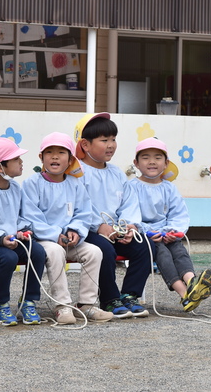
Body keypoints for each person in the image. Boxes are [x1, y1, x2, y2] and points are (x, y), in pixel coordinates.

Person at [20, 132, 113, 324]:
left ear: (70, 159)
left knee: (94, 252)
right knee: (54, 252)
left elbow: (84, 212)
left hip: (70, 239)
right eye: (49, 152)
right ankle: (61, 306)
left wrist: (75, 230)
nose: (55, 157)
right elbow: (31, 217)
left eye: (61, 152)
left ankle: (86, 305)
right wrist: (55, 235)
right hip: (44, 239)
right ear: (41, 157)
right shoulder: (31, 183)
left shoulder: (75, 183)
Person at [74, 113, 153, 318]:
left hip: (115, 230)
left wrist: (129, 227)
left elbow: (128, 203)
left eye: (113, 139)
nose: (111, 145)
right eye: (104, 140)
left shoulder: (117, 173)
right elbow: (79, 205)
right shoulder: (77, 173)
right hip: (88, 230)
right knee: (105, 250)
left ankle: (129, 295)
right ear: (85, 145)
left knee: (144, 246)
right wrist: (99, 226)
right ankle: (110, 299)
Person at [126, 137, 211, 312]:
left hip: (167, 234)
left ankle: (192, 282)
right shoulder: (132, 187)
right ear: (136, 163)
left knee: (179, 250)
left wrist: (173, 231)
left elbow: (179, 214)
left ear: (166, 163)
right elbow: (130, 215)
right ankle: (185, 294)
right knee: (163, 255)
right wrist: (148, 232)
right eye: (145, 157)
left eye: (158, 157)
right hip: (146, 236)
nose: (152, 161)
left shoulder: (169, 188)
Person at [0, 137, 46, 326]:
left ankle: (29, 300)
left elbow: (19, 217)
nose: (21, 162)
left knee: (37, 252)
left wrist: (22, 231)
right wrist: (1, 239)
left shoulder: (15, 187)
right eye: (16, 159)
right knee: (8, 258)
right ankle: (0, 303)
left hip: (13, 239)